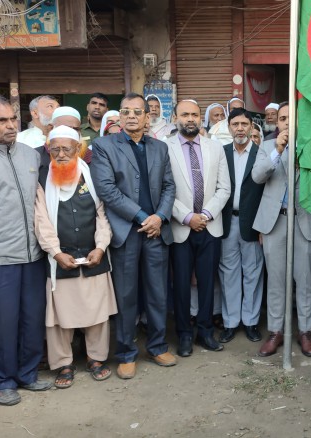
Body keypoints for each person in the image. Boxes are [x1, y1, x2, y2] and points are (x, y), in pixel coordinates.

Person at [0, 95, 51, 406]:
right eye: (2, 121)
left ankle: (27, 374)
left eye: (13, 119)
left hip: (32, 254)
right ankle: (1, 380)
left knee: (31, 318)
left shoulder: (30, 155)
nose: (11, 125)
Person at [91, 92, 177, 380]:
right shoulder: (104, 146)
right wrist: (143, 217)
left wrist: (160, 217)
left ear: (146, 116)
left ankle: (157, 346)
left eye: (136, 112)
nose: (131, 116)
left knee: (157, 293)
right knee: (126, 296)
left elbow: (169, 186)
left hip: (156, 232)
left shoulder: (159, 148)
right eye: (125, 111)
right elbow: (107, 189)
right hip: (127, 231)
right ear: (119, 115)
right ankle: (126, 353)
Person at [33, 125, 117, 388]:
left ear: (77, 148)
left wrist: (101, 246)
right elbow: (41, 220)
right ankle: (63, 363)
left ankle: (96, 358)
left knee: (97, 313)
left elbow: (103, 215)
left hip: (94, 256)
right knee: (59, 319)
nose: (60, 154)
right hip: (60, 259)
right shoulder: (42, 177)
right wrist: (56, 252)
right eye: (54, 148)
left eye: (66, 148)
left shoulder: (92, 175)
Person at [252, 103, 311, 357]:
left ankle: (305, 331)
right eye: (282, 119)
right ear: (277, 123)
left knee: (305, 280)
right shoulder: (268, 146)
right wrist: (279, 150)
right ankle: (276, 331)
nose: (286, 123)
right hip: (275, 222)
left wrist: (306, 164)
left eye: (291, 118)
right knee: (276, 280)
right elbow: (257, 177)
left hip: (304, 220)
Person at [165, 99, 231, 357]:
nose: (190, 119)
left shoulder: (215, 148)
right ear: (175, 118)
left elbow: (224, 187)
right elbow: (164, 188)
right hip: (180, 227)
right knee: (181, 284)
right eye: (185, 115)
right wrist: (187, 216)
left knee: (207, 283)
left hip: (209, 226)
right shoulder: (164, 148)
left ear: (200, 118)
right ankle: (183, 334)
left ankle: (204, 331)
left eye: (194, 114)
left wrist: (205, 214)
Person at [218, 108, 265, 344]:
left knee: (253, 274)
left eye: (244, 124)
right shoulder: (221, 153)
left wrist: (264, 227)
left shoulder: (262, 153)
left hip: (253, 225)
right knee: (229, 274)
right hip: (226, 222)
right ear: (229, 128)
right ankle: (230, 322)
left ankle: (251, 322)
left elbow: (268, 193)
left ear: (251, 127)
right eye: (235, 124)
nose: (239, 128)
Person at [36, 106, 85, 187]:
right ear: (51, 128)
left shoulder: (91, 155)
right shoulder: (36, 156)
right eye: (64, 128)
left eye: (75, 129)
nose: (70, 132)